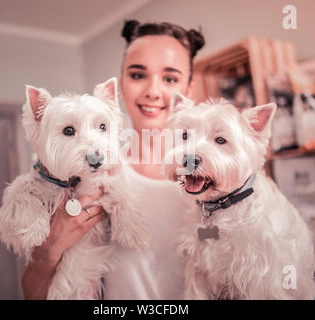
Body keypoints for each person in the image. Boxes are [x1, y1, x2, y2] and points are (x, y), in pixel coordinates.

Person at [21, 20, 205, 300]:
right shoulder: (85, 171)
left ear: (189, 90)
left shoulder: (216, 175)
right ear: (121, 84)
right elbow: (32, 294)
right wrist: (47, 253)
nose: (152, 91)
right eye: (138, 75)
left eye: (170, 79)